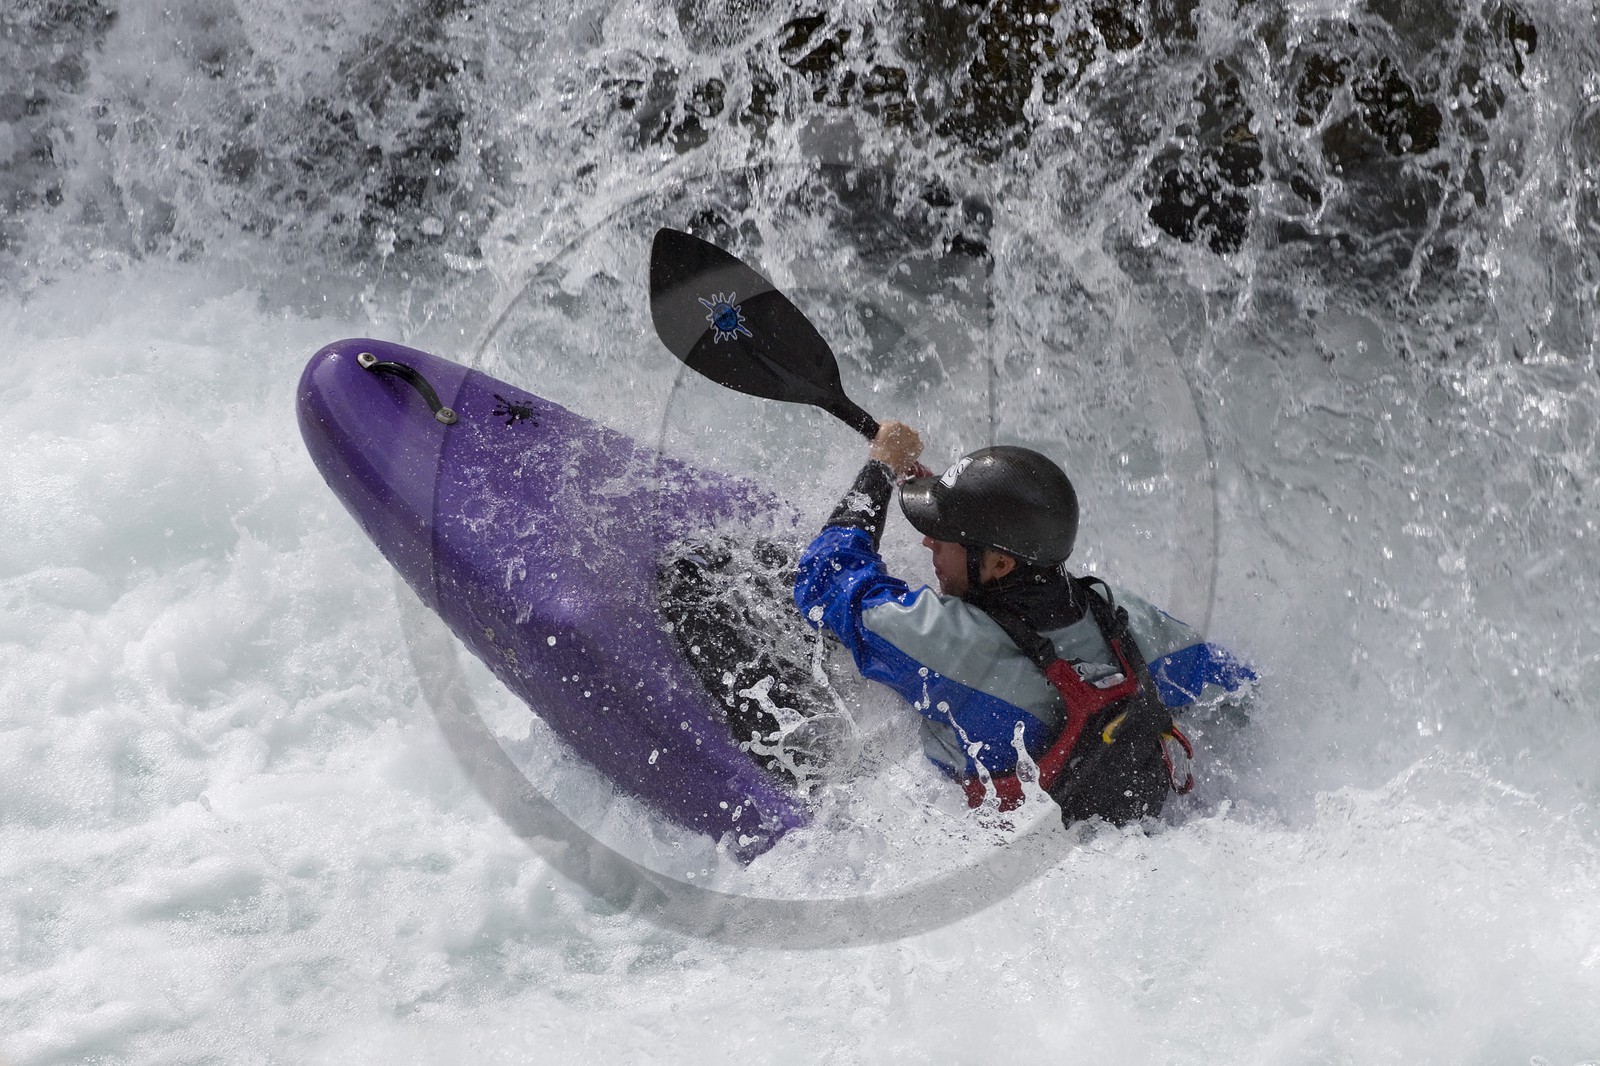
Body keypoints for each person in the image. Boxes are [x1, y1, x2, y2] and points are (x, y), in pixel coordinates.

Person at [794, 421, 1256, 826]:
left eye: (945, 535)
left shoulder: (953, 645)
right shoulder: (1126, 619)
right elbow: (1239, 693)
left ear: (998, 565)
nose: (927, 543)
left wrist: (882, 465)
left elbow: (822, 579)